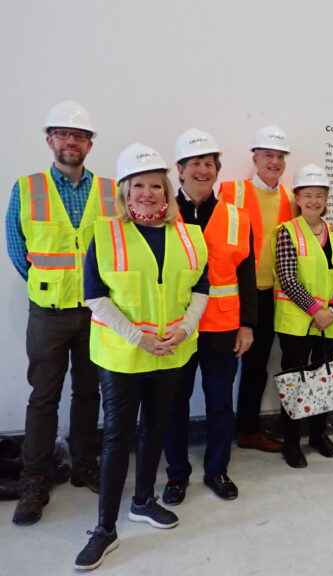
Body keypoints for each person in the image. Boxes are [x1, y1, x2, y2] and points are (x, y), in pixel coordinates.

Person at [74, 144, 209, 571]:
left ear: (168, 191)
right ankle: (105, 529)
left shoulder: (190, 235)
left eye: (156, 185)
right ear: (126, 193)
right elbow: (94, 297)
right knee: (116, 437)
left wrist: (185, 329)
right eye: (139, 186)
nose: (148, 193)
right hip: (122, 355)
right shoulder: (106, 233)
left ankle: (143, 501)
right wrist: (139, 337)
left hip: (172, 351)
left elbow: (201, 290)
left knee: (156, 427)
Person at [6, 101, 117, 526]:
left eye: (80, 135)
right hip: (48, 312)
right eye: (63, 134)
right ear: (49, 139)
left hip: (96, 310)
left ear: (90, 143)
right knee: (43, 396)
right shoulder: (28, 187)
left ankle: (85, 461)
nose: (71, 141)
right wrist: (45, 284)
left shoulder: (109, 191)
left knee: (90, 391)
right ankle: (35, 477)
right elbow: (18, 248)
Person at [162, 129, 257, 506]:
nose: (203, 170)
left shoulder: (237, 216)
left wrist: (247, 323)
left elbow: (246, 273)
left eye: (209, 164)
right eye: (195, 164)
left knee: (220, 404)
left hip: (222, 327)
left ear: (216, 170)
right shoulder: (164, 214)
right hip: (177, 328)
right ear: (179, 170)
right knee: (174, 405)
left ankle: (218, 470)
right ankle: (176, 475)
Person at [272, 164, 333, 468]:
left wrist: (330, 310)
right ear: (297, 198)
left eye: (319, 195)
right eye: (308, 195)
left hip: (329, 322)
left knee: (324, 381)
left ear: (326, 198)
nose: (314, 201)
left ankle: (319, 435)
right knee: (295, 383)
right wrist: (316, 311)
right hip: (297, 323)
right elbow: (288, 278)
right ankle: (291, 443)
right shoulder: (286, 233)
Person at [223, 125, 293, 453]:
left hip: (269, 295)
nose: (274, 162)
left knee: (256, 365)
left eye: (280, 156)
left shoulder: (290, 198)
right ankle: (220, 433)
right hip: (231, 292)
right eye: (268, 155)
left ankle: (248, 430)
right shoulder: (230, 191)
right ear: (255, 157)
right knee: (220, 366)